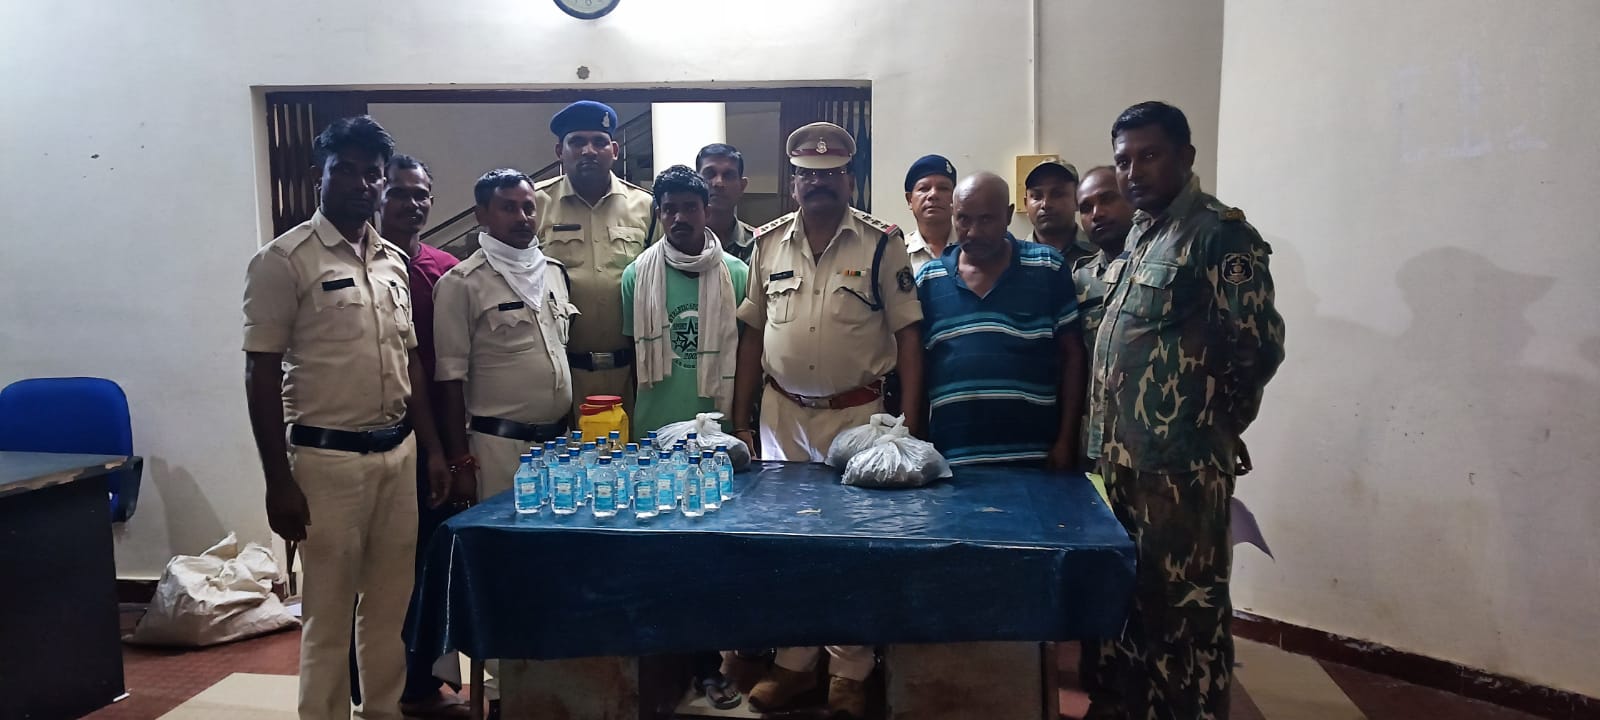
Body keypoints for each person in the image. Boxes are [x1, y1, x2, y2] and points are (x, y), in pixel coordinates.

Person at [242, 115, 452, 720]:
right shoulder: (283, 260)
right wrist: (277, 480)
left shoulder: (391, 261)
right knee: (328, 613)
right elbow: (260, 374)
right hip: (326, 460)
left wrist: (433, 451)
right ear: (319, 175)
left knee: (390, 606)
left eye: (373, 174)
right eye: (348, 171)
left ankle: (381, 711)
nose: (363, 184)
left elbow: (410, 361)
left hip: (398, 453)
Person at [1084, 101, 1286, 720]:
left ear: (1185, 156)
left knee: (1186, 616)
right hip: (1124, 460)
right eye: (1123, 160)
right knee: (1136, 604)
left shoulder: (1219, 234)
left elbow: (1257, 346)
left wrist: (1213, 425)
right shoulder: (1142, 233)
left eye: (1149, 156)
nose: (1134, 171)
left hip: (1181, 468)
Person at [730, 122, 924, 720]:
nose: (819, 184)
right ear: (793, 182)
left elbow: (909, 336)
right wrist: (741, 419)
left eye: (832, 174)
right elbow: (752, 334)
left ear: (850, 180)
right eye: (808, 175)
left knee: (853, 545)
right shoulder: (766, 244)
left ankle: (849, 672)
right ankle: (793, 664)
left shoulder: (881, 243)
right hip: (781, 417)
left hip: (858, 418)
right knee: (788, 544)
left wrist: (910, 427)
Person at [375, 154, 469, 719]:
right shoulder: (366, 264)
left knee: (428, 565)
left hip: (436, 437)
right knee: (382, 573)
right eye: (399, 193)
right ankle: (376, 687)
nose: (412, 204)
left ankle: (419, 684)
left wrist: (449, 448)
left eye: (421, 195)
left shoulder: (446, 270)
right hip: (381, 433)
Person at [915, 172, 1083, 468]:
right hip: (953, 464)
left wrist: (1066, 441)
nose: (973, 232)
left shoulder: (1047, 267)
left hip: (1037, 460)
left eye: (986, 219)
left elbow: (1073, 357)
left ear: (1007, 215)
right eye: (964, 219)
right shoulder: (929, 280)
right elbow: (917, 369)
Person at [532, 100, 653, 417]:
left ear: (614, 150)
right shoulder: (535, 204)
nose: (588, 150)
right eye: (577, 142)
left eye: (599, 142)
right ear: (559, 151)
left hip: (632, 373)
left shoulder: (645, 206)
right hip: (562, 373)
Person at [621, 165, 749, 437]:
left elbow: (744, 357)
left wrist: (741, 426)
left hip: (717, 427)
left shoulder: (737, 274)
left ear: (707, 212)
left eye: (690, 207)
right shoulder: (637, 275)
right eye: (670, 209)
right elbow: (634, 355)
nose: (679, 217)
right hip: (653, 427)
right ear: (659, 215)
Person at [1068, 165, 1135, 473]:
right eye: (1086, 207)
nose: (1097, 213)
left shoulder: (1167, 265)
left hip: (1158, 446)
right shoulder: (1079, 279)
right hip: (1091, 445)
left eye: (1108, 199)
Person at [1023, 157, 1098, 266]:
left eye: (1057, 194)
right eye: (1037, 196)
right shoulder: (1012, 259)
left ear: (1078, 200)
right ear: (1025, 204)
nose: (1045, 204)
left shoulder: (1101, 252)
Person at [696, 143, 759, 264]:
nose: (718, 183)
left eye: (728, 176)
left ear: (742, 186)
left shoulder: (759, 246)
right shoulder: (681, 241)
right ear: (696, 182)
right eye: (710, 174)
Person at [902, 154, 958, 272]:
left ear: (955, 198)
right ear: (910, 200)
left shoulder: (972, 247)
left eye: (943, 188)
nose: (933, 194)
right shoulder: (898, 251)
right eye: (924, 188)